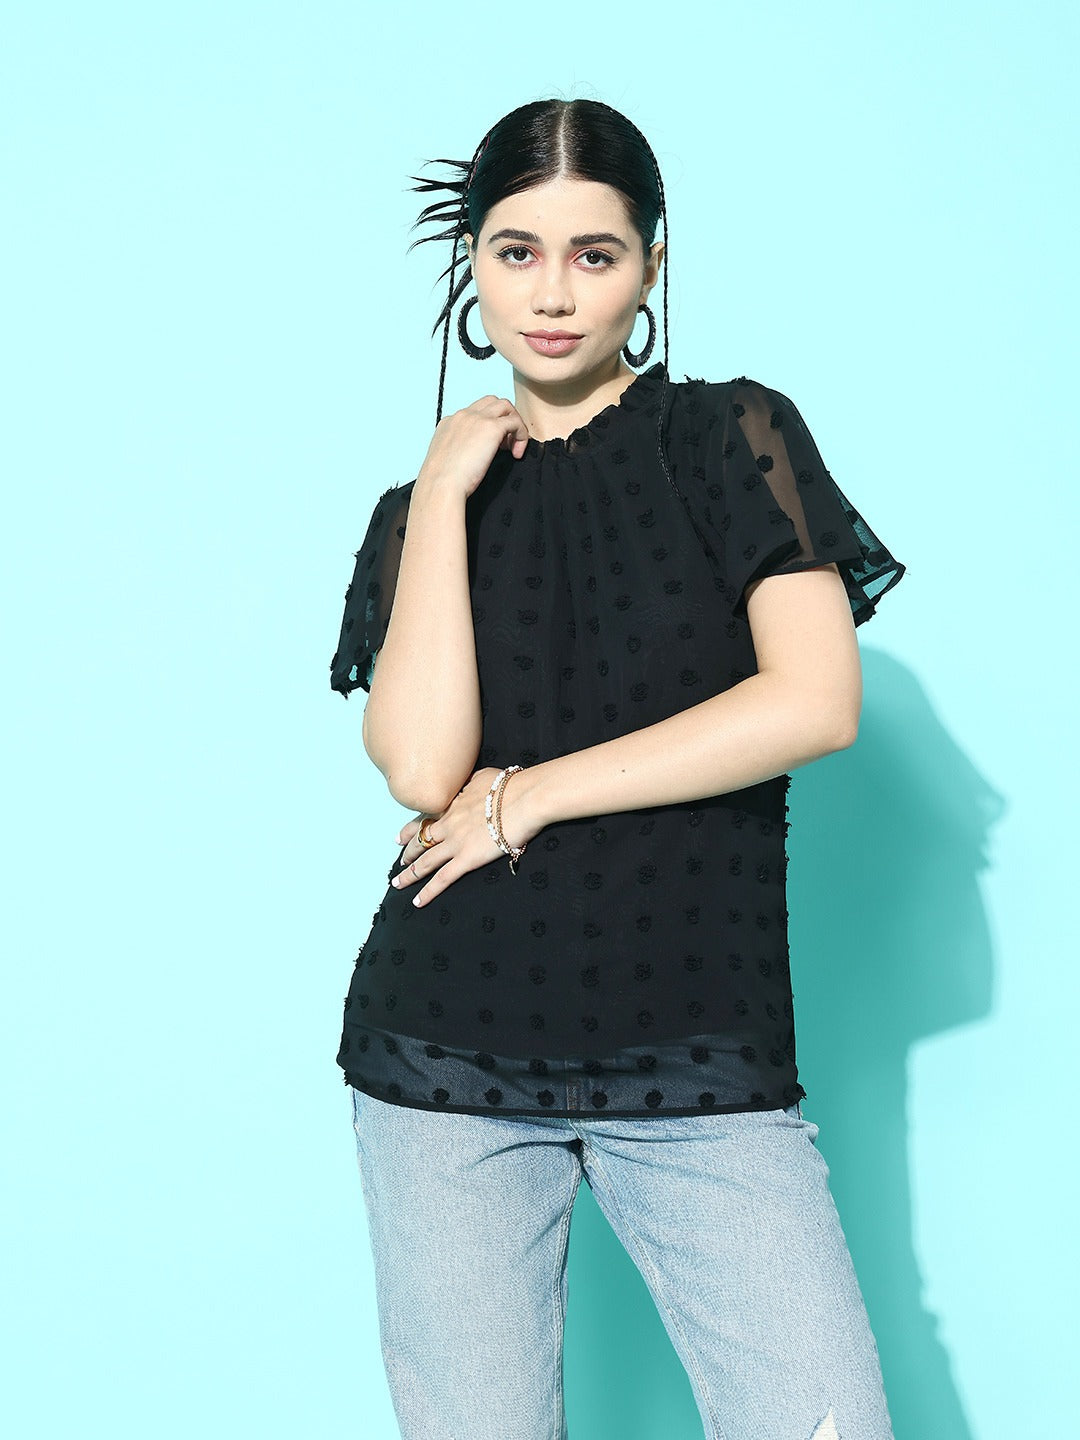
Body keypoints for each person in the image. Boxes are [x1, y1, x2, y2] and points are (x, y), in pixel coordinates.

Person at [329, 97, 904, 1440]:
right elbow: (421, 767)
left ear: (650, 267)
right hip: (445, 1053)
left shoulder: (729, 438)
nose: (553, 293)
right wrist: (441, 492)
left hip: (699, 1051)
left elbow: (815, 701)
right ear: (473, 265)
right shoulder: (420, 511)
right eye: (517, 251)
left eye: (595, 254)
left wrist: (531, 795)